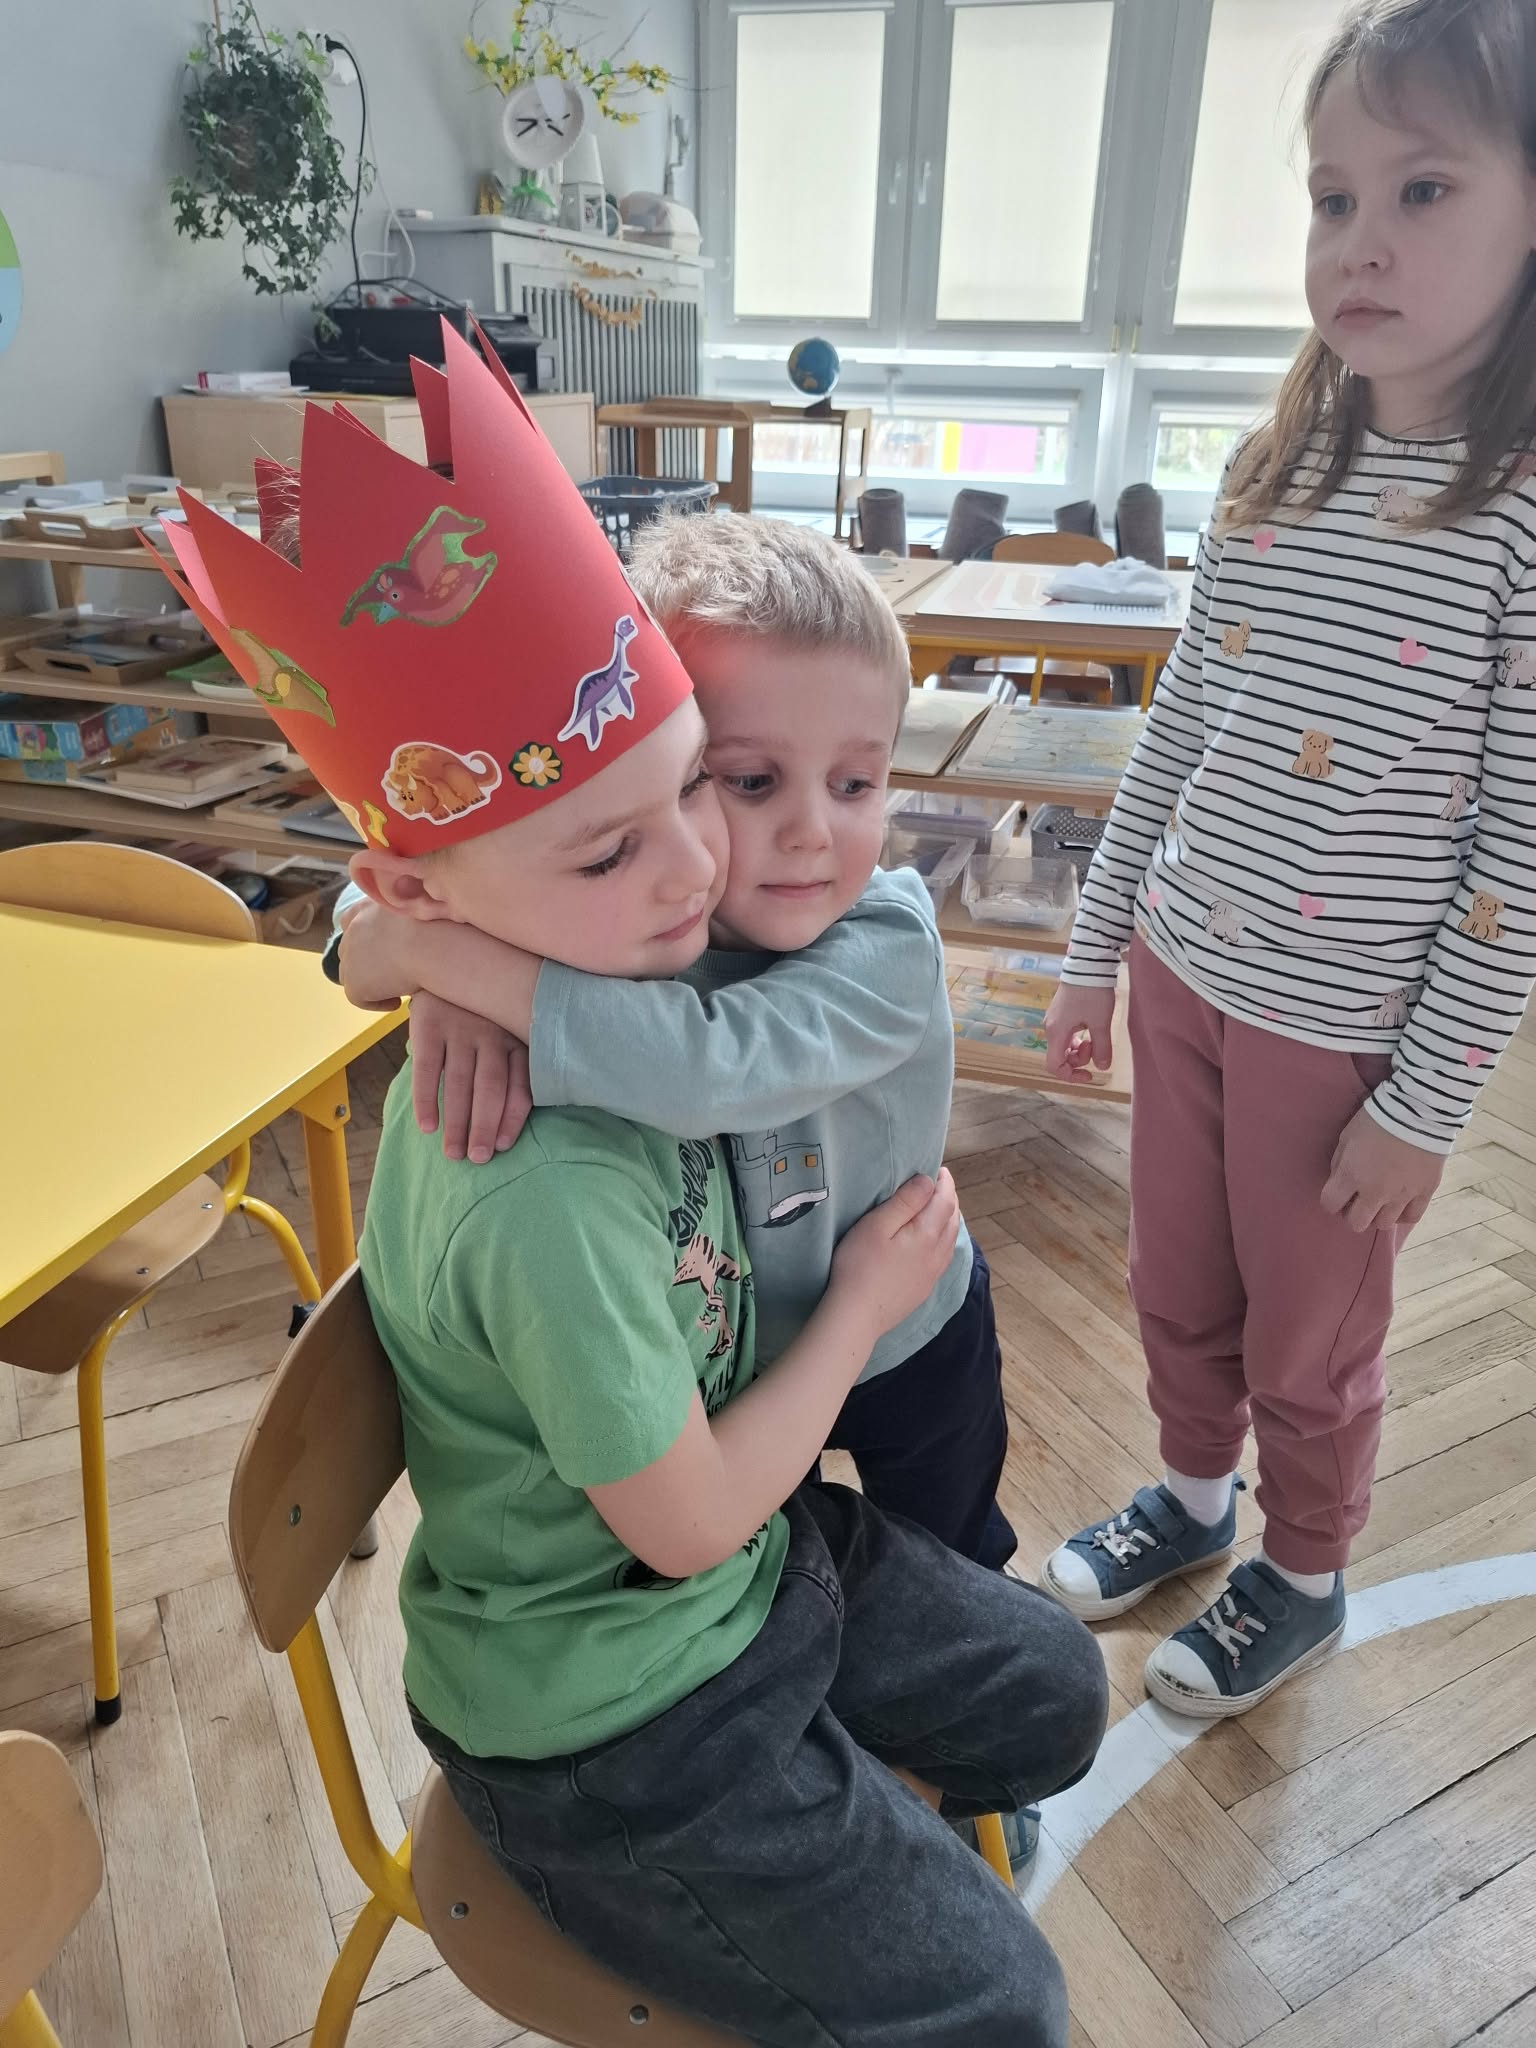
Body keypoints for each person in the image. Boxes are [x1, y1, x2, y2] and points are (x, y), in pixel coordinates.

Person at [160, 326, 1107, 2046]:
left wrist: (433, 952)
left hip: (791, 1468)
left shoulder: (727, 949)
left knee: (1048, 1682)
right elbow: (677, 1513)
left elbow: (637, 1009)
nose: (704, 866)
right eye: (657, 820)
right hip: (631, 1676)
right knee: (1006, 2005)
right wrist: (413, 953)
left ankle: (844, 1789)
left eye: (688, 791)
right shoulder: (554, 1166)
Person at [1039, 0, 1536, 1717]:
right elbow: (1176, 732)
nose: (1360, 241)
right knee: (1174, 1279)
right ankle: (1191, 1501)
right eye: (1334, 200)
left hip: (1344, 1037)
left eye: (1421, 190)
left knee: (1307, 1339)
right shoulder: (1275, 472)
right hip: (1181, 969)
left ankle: (1302, 1571)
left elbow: (1518, 849)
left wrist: (1426, 1102)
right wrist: (1094, 950)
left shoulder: (1518, 515)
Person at [336, 512, 1019, 1578]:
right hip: (740, 1366)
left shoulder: (888, 941)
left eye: (856, 784)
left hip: (910, 1328)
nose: (812, 831)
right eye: (747, 780)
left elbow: (707, 1064)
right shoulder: (642, 925)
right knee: (797, 1559)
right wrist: (438, 973)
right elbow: (418, 877)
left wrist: (440, 960)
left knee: (953, 1560)